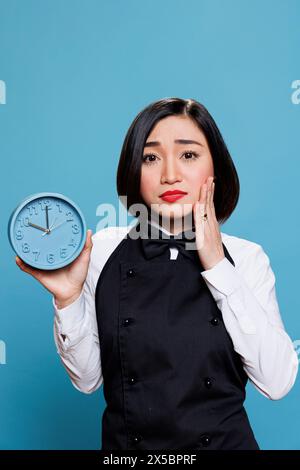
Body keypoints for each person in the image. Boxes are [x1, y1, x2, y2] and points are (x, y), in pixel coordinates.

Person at [16, 97, 298, 450]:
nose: (169, 174)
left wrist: (216, 265)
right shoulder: (102, 250)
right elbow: (87, 381)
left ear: (216, 168)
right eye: (151, 157)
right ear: (134, 169)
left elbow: (277, 382)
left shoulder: (246, 257)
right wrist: (68, 299)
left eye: (188, 155)